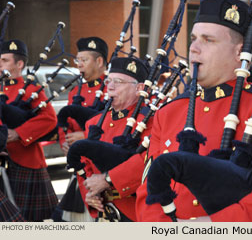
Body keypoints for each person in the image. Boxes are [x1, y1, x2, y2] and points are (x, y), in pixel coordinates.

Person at [135, 0, 252, 222]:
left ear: (239, 53)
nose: (194, 48)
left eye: (208, 40)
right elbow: (149, 193)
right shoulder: (168, 113)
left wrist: (217, 226)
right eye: (194, 38)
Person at [75, 56, 152, 221]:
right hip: (103, 209)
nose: (110, 87)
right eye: (108, 81)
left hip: (135, 211)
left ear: (139, 88)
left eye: (118, 81)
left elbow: (149, 160)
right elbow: (84, 165)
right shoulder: (94, 123)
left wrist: (108, 179)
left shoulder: (150, 120)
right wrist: (89, 193)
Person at [0, 39, 58, 221]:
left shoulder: (30, 89)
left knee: (28, 222)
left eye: (4, 60)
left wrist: (18, 133)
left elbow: (48, 119)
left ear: (19, 64)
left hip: (24, 161)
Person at [58, 36, 109, 155]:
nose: (79, 65)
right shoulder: (75, 92)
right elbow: (65, 122)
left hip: (101, 157)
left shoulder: (111, 89)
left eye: (84, 60)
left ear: (99, 61)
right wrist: (65, 141)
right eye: (77, 60)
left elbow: (115, 125)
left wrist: (85, 136)